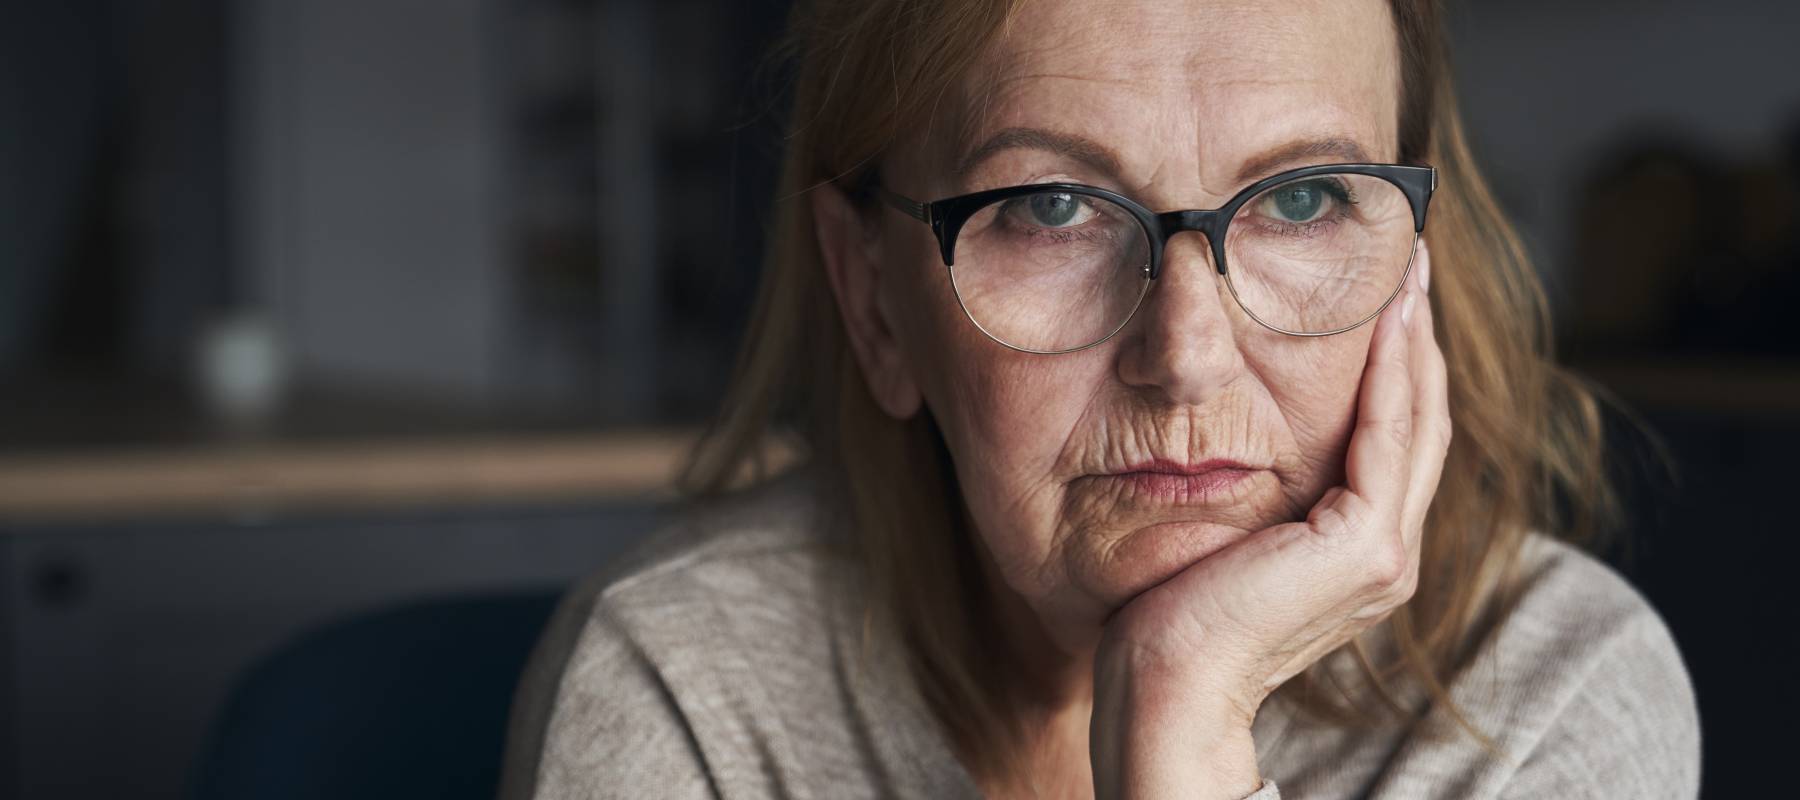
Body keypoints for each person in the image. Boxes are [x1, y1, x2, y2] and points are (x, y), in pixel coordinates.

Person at [500, 0, 1702, 797]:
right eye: (1053, 207)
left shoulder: (1555, 687)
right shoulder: (686, 684)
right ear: (872, 297)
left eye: (1300, 201)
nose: (1186, 353)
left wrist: (1184, 729)